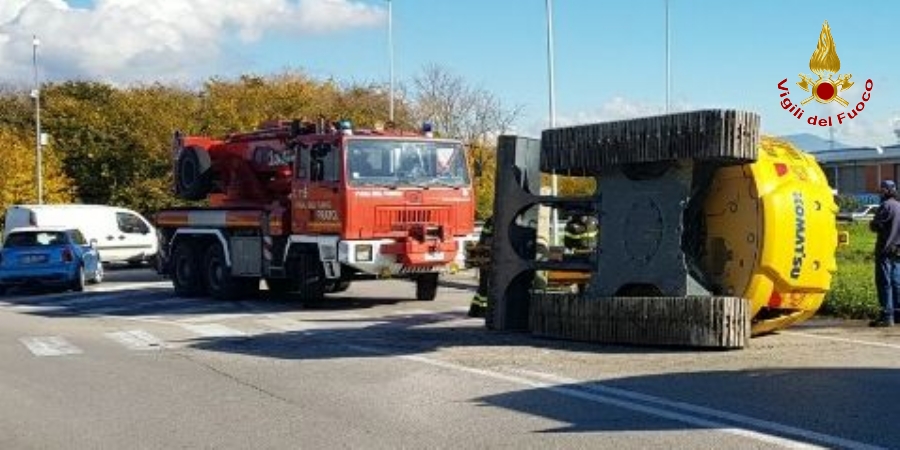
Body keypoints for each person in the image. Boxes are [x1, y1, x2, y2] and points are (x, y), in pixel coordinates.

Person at [869, 179, 900, 327]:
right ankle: (898, 314)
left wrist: (873, 223)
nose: (880, 193)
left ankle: (887, 317)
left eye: (882, 190)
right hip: (898, 251)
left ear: (886, 191)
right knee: (896, 282)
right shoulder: (899, 206)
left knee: (884, 283)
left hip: (885, 250)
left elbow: (875, 226)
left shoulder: (885, 206)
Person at [468, 217, 493, 318]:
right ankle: (482, 310)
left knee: (483, 286)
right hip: (488, 257)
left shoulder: (491, 220)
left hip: (485, 256)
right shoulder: (494, 221)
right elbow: (488, 237)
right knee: (485, 286)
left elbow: (484, 237)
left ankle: (475, 310)